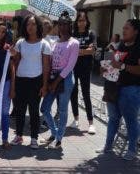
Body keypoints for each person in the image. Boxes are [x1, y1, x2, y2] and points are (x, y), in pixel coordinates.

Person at [96, 19, 140, 161]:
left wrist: (121, 66)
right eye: (124, 27)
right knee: (113, 118)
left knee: (130, 120)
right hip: (113, 88)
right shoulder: (120, 45)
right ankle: (107, 146)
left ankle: (132, 150)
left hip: (131, 90)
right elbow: (114, 64)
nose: (123, 30)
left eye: (127, 28)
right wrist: (106, 69)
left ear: (136, 31)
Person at [10, 15, 51, 149]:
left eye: (33, 24)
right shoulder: (20, 43)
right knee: (20, 110)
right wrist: (13, 84)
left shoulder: (44, 44)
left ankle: (34, 137)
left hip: (36, 81)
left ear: (38, 26)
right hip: (21, 80)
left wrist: (45, 86)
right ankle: (19, 135)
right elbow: (15, 63)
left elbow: (46, 67)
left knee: (34, 111)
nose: (30, 27)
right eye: (28, 24)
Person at [41, 11, 79, 149]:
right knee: (44, 109)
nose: (62, 27)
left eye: (65, 24)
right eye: (60, 24)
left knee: (62, 110)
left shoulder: (74, 43)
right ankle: (55, 133)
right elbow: (50, 61)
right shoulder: (55, 42)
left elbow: (70, 65)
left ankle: (58, 139)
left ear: (70, 26)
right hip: (53, 77)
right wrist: (49, 80)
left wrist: (56, 82)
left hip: (66, 78)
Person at [70, 11, 97, 134]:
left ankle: (91, 123)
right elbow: (70, 51)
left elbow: (92, 51)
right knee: (73, 93)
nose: (81, 23)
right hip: (74, 67)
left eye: (83, 20)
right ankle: (76, 120)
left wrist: (79, 51)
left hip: (86, 68)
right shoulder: (72, 34)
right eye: (79, 20)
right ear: (76, 22)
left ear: (87, 21)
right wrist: (84, 50)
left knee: (86, 94)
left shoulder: (91, 34)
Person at [0, 21, 15, 148]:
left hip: (6, 82)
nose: (1, 34)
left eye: (4, 32)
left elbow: (12, 68)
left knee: (5, 112)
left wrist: (13, 87)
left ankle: (5, 139)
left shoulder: (7, 47)